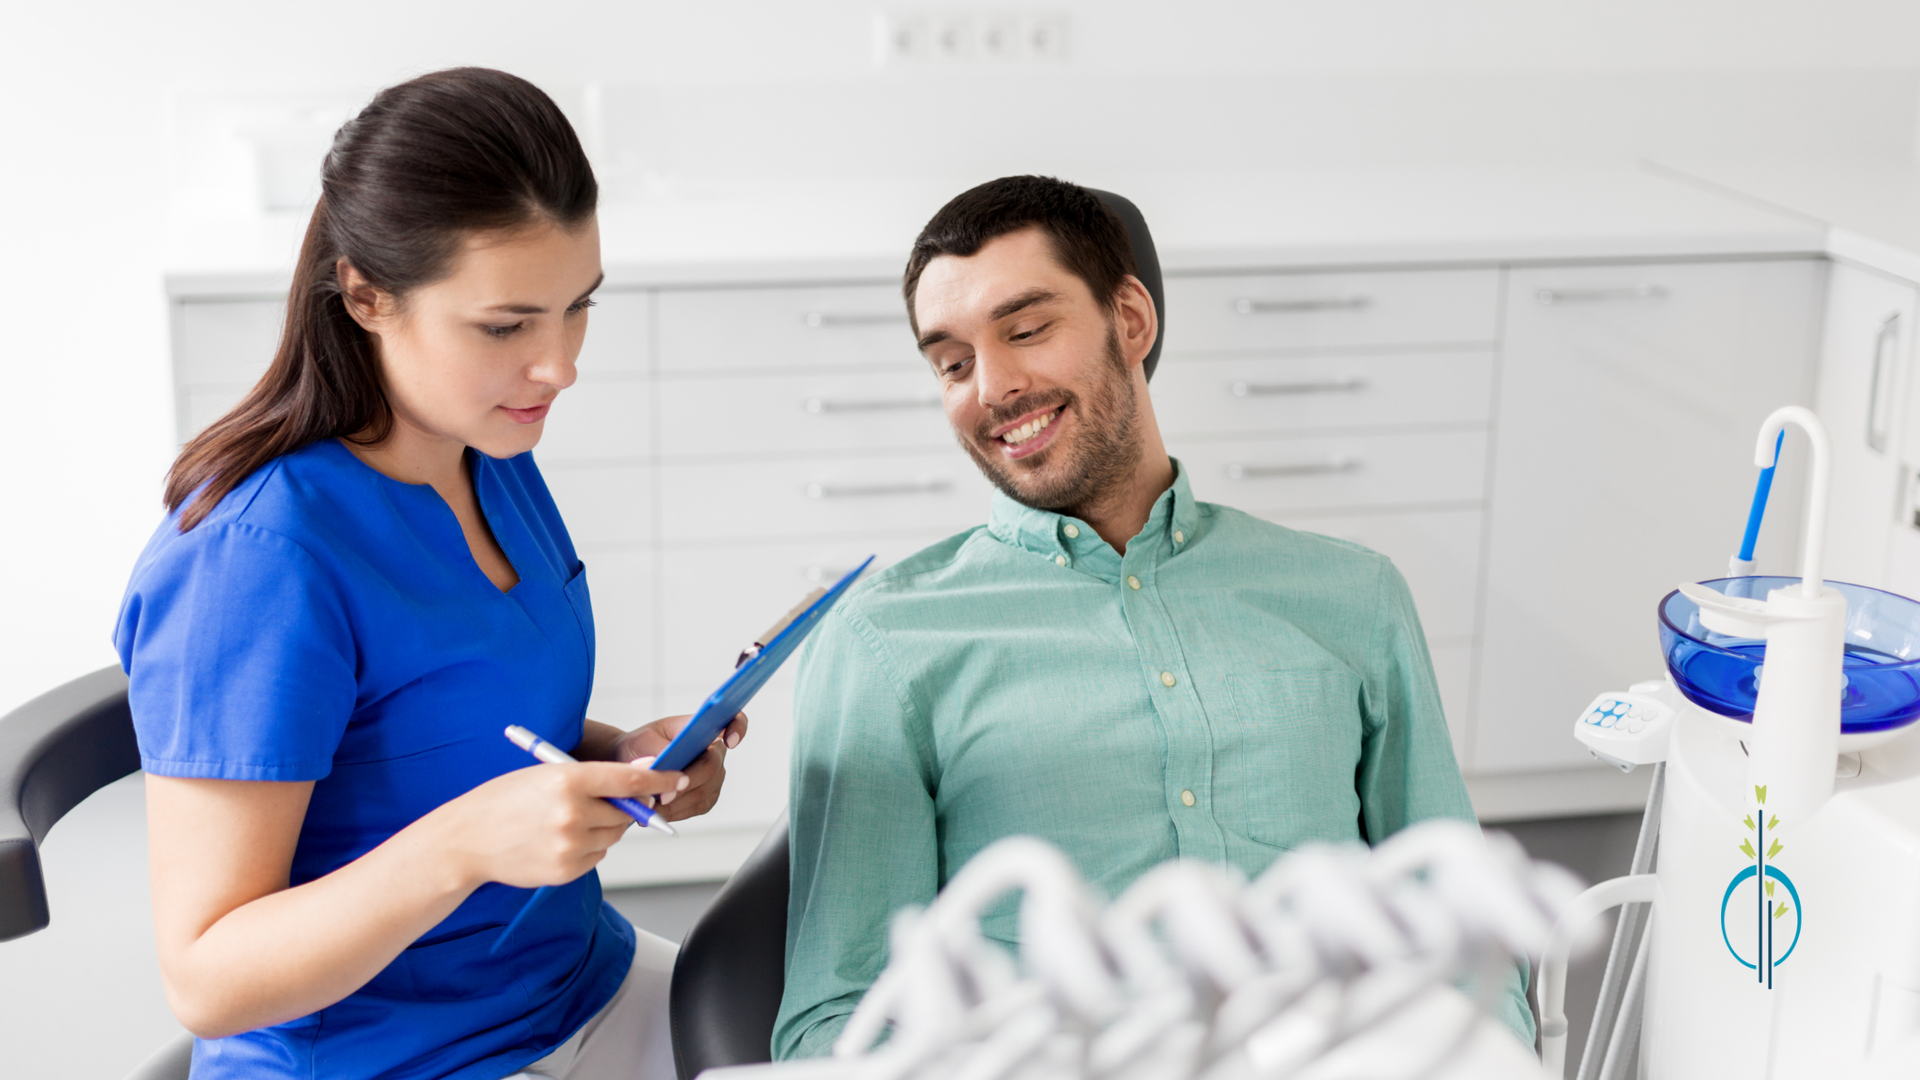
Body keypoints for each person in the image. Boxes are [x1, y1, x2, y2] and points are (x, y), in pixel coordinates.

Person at [774, 175, 1532, 1058]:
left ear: (1130, 321)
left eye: (1026, 331)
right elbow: (836, 1023)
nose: (993, 386)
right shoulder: (886, 644)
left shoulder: (1353, 597)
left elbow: (1462, 933)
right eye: (952, 363)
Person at [115, 69, 742, 1080]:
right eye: (507, 326)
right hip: (394, 1059)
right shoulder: (256, 561)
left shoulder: (490, 457)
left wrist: (618, 760)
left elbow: (438, 718)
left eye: (577, 308)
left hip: (576, 986)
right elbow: (208, 978)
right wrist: (465, 845)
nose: (560, 366)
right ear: (366, 293)